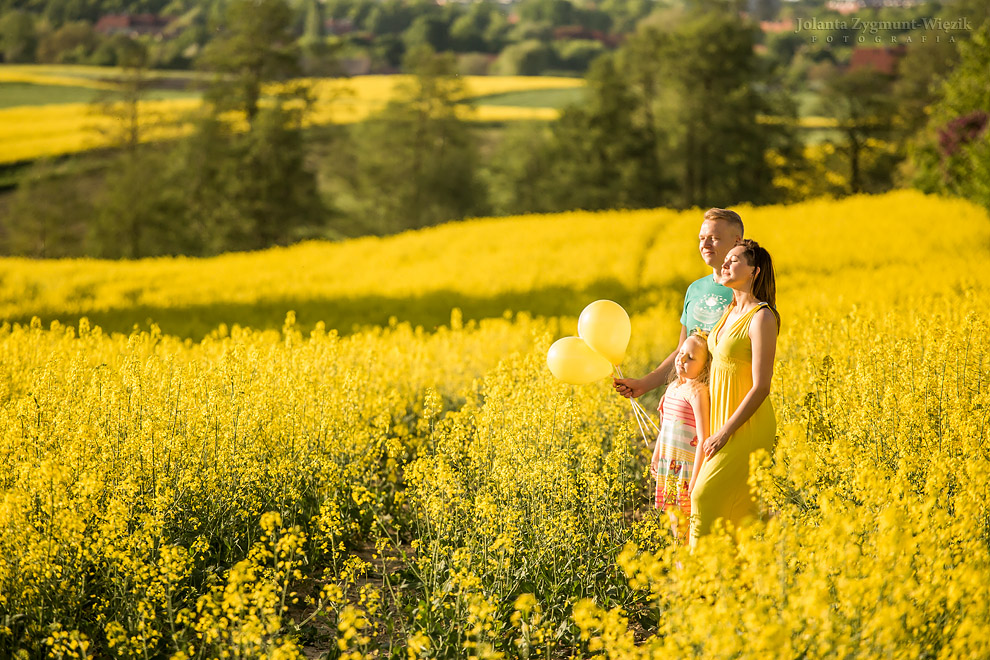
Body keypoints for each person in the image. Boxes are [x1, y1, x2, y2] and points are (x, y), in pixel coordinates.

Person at [690, 239, 780, 546]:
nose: (725, 264)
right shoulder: (728, 311)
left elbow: (762, 386)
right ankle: (735, 582)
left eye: (734, 260)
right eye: (726, 259)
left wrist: (726, 431)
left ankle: (699, 580)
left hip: (746, 426)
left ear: (754, 271)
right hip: (721, 420)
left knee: (703, 496)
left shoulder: (762, 317)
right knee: (739, 509)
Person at [613, 208, 743, 399]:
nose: (705, 244)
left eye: (713, 238)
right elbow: (681, 352)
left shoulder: (747, 292)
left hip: (727, 399)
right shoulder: (695, 289)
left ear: (737, 242)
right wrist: (643, 385)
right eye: (701, 238)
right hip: (692, 399)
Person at [649, 330, 710, 543]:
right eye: (681, 353)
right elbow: (665, 426)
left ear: (705, 366)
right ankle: (680, 564)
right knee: (674, 522)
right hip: (669, 465)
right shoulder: (673, 387)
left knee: (686, 525)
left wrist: (694, 479)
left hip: (687, 469)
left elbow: (704, 437)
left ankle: (685, 566)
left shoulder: (698, 392)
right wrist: (657, 455)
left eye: (690, 358)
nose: (681, 359)